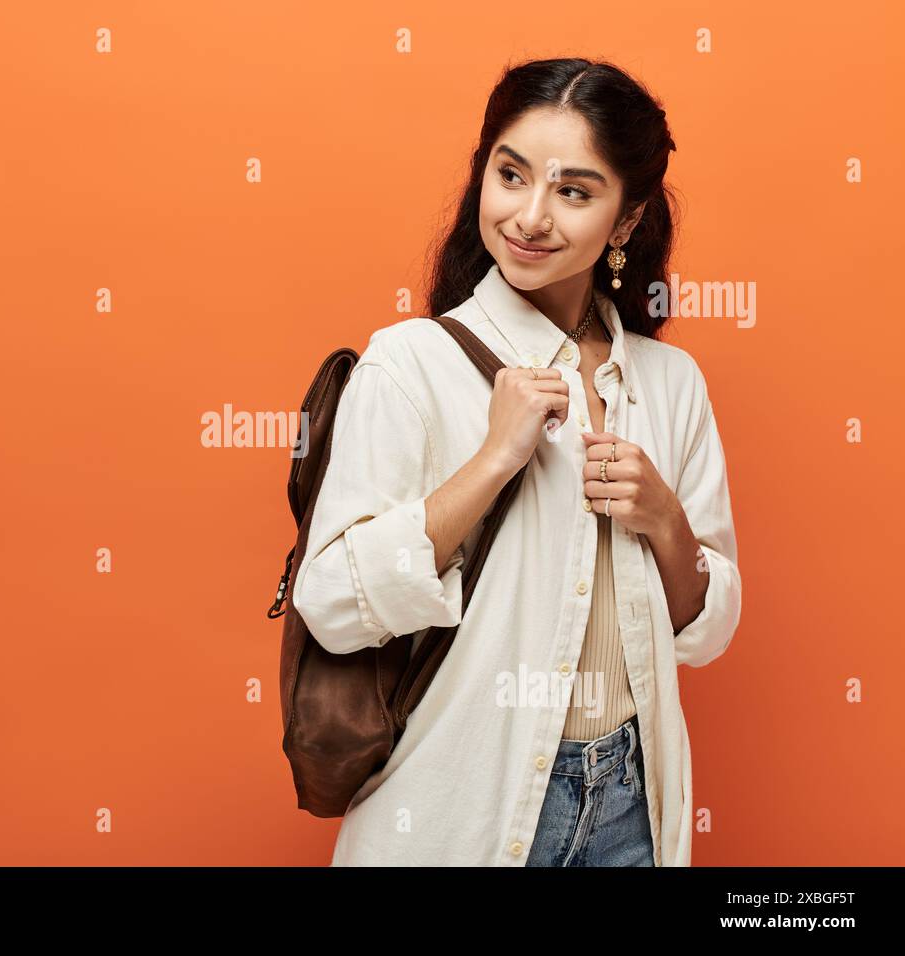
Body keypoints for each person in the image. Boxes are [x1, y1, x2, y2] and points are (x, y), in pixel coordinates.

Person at [290, 57, 741, 866]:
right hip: (459, 803)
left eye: (574, 190)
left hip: (633, 805)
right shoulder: (410, 364)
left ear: (627, 221)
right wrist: (494, 459)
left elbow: (705, 634)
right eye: (511, 175)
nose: (530, 216)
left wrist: (665, 521)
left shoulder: (669, 383)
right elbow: (330, 601)